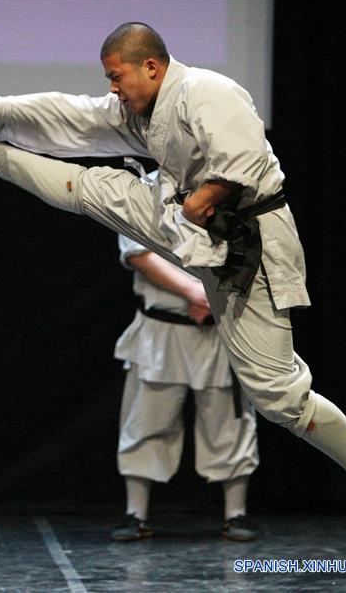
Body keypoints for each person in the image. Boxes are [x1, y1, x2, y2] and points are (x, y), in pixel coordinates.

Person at [0, 22, 346, 546]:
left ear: (150, 67)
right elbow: (73, 115)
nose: (112, 87)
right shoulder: (142, 111)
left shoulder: (207, 92)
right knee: (94, 189)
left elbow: (245, 153)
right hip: (194, 227)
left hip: (252, 243)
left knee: (277, 398)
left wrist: (204, 197)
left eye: (116, 76)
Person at [112, 232, 259, 543]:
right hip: (161, 329)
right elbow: (137, 253)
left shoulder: (231, 191)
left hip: (219, 325)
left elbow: (248, 253)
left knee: (229, 422)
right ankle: (135, 513)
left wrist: (212, 296)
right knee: (146, 420)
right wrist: (192, 292)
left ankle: (236, 513)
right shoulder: (144, 192)